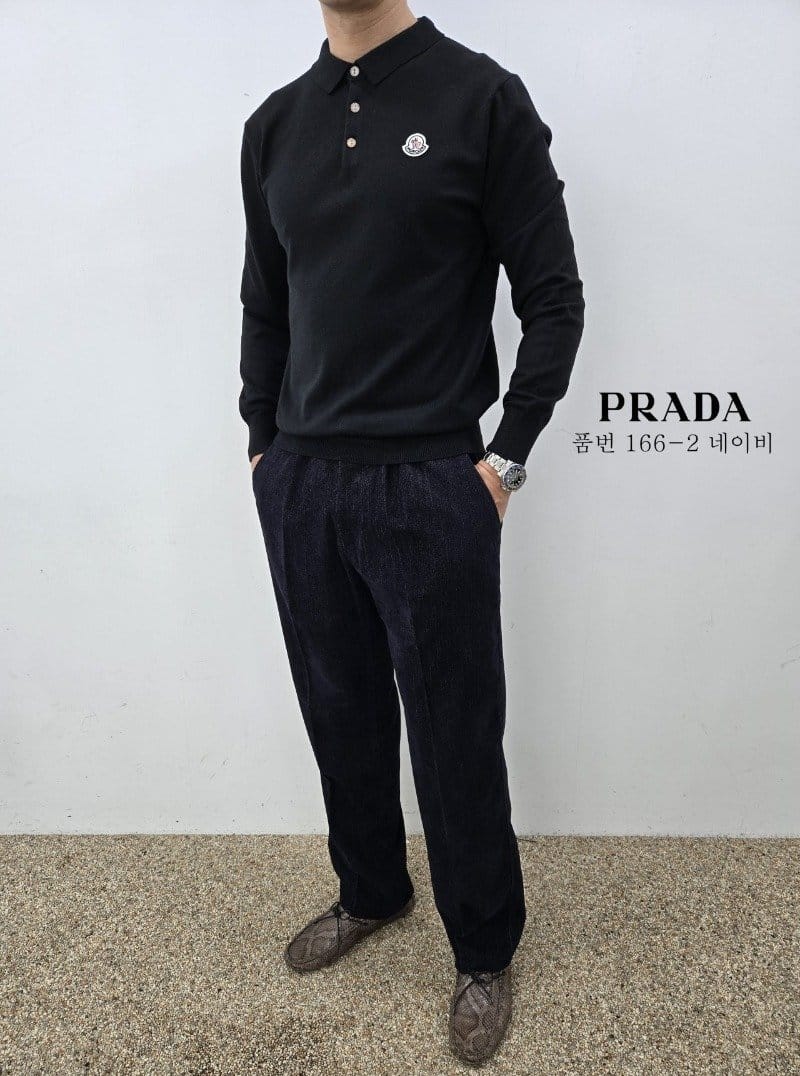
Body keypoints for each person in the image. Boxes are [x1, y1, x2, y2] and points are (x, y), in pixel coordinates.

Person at [238, 1, 584, 1064]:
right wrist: (261, 444)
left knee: (452, 727)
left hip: (433, 478)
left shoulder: (481, 99)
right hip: (302, 478)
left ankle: (482, 945)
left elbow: (553, 297)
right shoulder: (275, 124)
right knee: (336, 704)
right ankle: (372, 889)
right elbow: (265, 301)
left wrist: (504, 457)